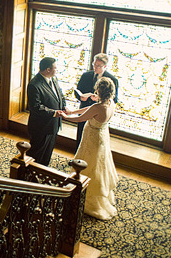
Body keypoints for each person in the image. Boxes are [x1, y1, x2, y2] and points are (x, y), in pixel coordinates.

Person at [62, 77, 118, 220]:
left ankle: (87, 197)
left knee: (89, 163)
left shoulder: (98, 107)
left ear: (99, 90)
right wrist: (72, 111)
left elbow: (82, 118)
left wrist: (65, 117)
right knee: (100, 163)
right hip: (102, 136)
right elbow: (89, 109)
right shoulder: (110, 103)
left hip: (92, 138)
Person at [26, 57, 68, 166]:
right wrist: (54, 113)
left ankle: (42, 171)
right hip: (41, 127)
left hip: (53, 125)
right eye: (55, 68)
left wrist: (64, 106)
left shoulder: (53, 78)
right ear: (48, 70)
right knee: (36, 154)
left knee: (47, 153)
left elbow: (60, 94)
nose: (57, 70)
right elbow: (36, 107)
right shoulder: (34, 85)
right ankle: (28, 175)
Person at [74, 53, 118, 148]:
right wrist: (80, 97)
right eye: (94, 64)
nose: (95, 67)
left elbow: (115, 99)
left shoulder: (112, 80)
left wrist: (99, 99)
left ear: (105, 66)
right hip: (84, 109)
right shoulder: (86, 75)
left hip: (99, 115)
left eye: (98, 66)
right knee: (81, 135)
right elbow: (77, 91)